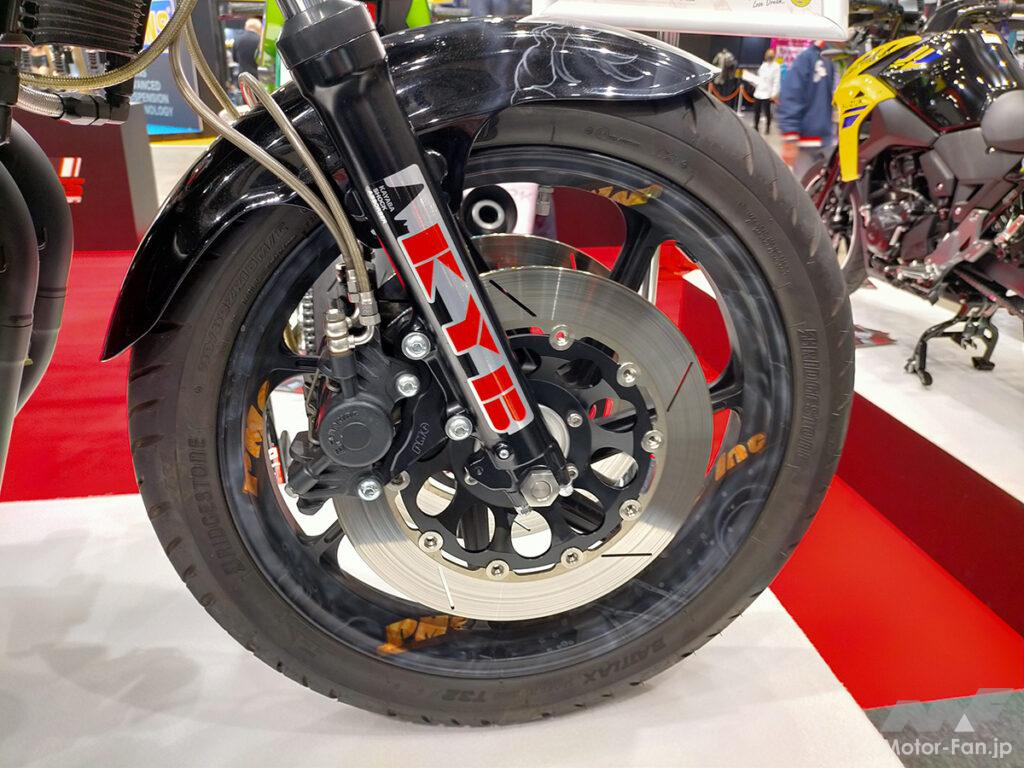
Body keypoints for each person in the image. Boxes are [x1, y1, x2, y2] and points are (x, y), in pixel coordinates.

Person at [776, 41, 836, 179]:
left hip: (828, 139)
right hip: (808, 139)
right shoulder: (807, 58)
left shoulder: (830, 59)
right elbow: (791, 95)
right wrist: (790, 137)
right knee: (804, 184)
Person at [752, 48, 781, 133]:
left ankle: (767, 127)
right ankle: (756, 126)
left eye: (771, 54)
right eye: (768, 54)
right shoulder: (763, 65)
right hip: (758, 92)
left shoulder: (776, 66)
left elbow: (776, 81)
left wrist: (774, 93)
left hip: (768, 93)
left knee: (767, 111)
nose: (769, 56)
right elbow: (759, 78)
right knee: (757, 111)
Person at [233, 17, 262, 84]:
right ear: (258, 28)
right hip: (255, 77)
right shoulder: (259, 39)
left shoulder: (237, 39)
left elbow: (234, 58)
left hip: (241, 77)